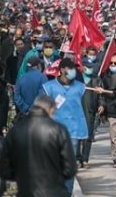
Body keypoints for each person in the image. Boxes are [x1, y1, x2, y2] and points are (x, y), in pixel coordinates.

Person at [0, 95, 77, 197]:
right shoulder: (59, 130)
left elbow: (5, 169)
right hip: (54, 191)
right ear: (51, 109)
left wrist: (22, 177)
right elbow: (70, 169)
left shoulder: (15, 132)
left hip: (25, 191)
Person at [42, 58, 88, 195]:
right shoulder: (49, 87)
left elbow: (84, 111)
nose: (73, 71)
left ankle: (67, 193)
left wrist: (85, 132)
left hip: (74, 133)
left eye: (74, 69)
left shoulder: (80, 87)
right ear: (62, 70)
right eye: (70, 68)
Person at [77, 54, 106, 168]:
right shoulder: (77, 81)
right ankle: (78, 157)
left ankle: (85, 159)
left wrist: (101, 104)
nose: (90, 68)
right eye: (88, 66)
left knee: (88, 136)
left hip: (90, 112)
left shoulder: (97, 80)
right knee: (78, 137)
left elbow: (101, 96)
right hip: (78, 113)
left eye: (91, 66)